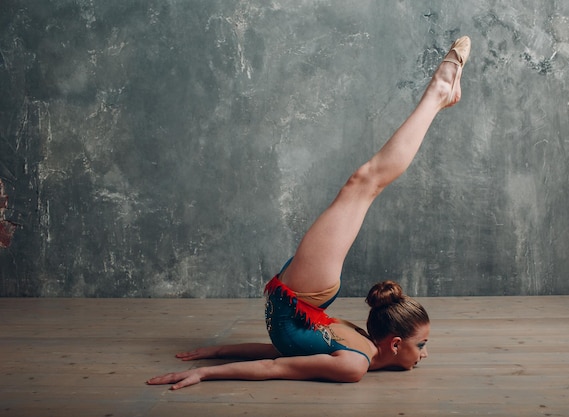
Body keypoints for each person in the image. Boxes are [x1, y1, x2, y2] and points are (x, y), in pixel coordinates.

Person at [147, 36, 471, 390]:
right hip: (299, 297)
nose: (423, 354)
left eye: (421, 345)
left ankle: (438, 93)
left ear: (393, 344)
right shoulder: (357, 356)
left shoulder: (355, 362)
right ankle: (437, 94)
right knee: (363, 184)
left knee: (363, 184)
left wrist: (213, 362)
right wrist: (216, 355)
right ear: (393, 343)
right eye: (421, 346)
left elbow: (277, 360)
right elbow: (283, 353)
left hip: (296, 297)